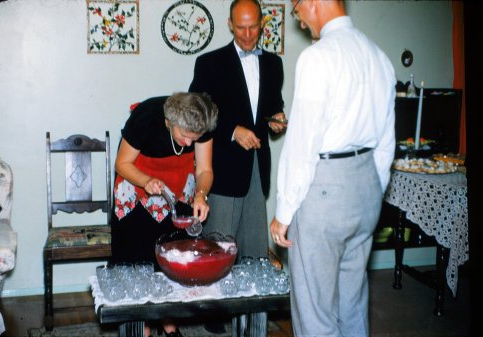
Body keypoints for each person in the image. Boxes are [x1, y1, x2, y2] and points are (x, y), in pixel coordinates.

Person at [270, 1, 396, 336]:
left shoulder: (318, 57)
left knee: (315, 312)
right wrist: (372, 188)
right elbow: (387, 142)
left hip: (324, 190)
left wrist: (284, 210)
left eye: (297, 10)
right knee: (353, 302)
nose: (300, 20)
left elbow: (302, 143)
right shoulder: (378, 55)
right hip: (366, 186)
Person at [110, 92, 218, 337]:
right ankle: (143, 325)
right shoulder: (146, 117)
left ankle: (168, 321)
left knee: (172, 260)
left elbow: (204, 169)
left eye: (196, 138)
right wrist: (146, 181)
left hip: (178, 188)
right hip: (137, 183)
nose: (190, 144)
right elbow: (122, 164)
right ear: (170, 122)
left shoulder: (200, 122)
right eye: (185, 137)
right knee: (139, 262)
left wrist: (201, 194)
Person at [188, 0, 286, 261]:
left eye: (253, 27)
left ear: (262, 24)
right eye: (240, 27)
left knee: (255, 254)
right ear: (230, 25)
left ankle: (253, 303)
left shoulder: (274, 65)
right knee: (217, 254)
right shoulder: (209, 63)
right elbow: (197, 116)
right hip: (221, 172)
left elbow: (272, 109)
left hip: (257, 169)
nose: (247, 35)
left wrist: (276, 119)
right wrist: (232, 131)